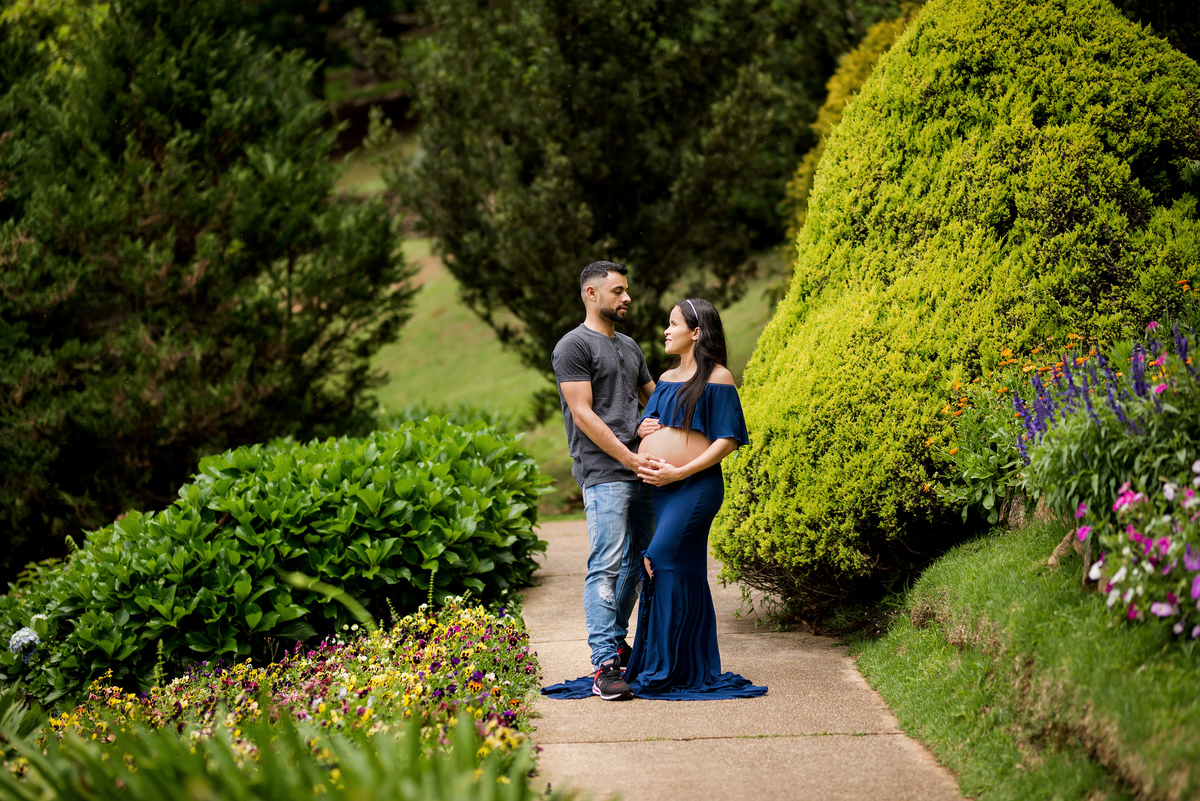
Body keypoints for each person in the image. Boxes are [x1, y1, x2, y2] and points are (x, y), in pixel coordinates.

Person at [544, 298, 767, 700]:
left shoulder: (718, 377)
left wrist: (680, 470)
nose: (665, 330)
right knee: (656, 565)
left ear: (696, 333)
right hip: (661, 490)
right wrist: (643, 427)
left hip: (694, 485)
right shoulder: (666, 378)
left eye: (673, 324)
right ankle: (667, 660)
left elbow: (728, 439)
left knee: (659, 556)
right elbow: (651, 419)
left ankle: (675, 663)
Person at [549, 260, 661, 701]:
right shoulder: (572, 346)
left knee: (640, 565)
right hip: (604, 474)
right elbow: (584, 414)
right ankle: (604, 666)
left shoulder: (630, 346)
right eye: (618, 291)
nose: (627, 298)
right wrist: (630, 458)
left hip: (642, 469)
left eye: (627, 290)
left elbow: (653, 400)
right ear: (591, 294)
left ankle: (615, 640)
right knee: (606, 565)